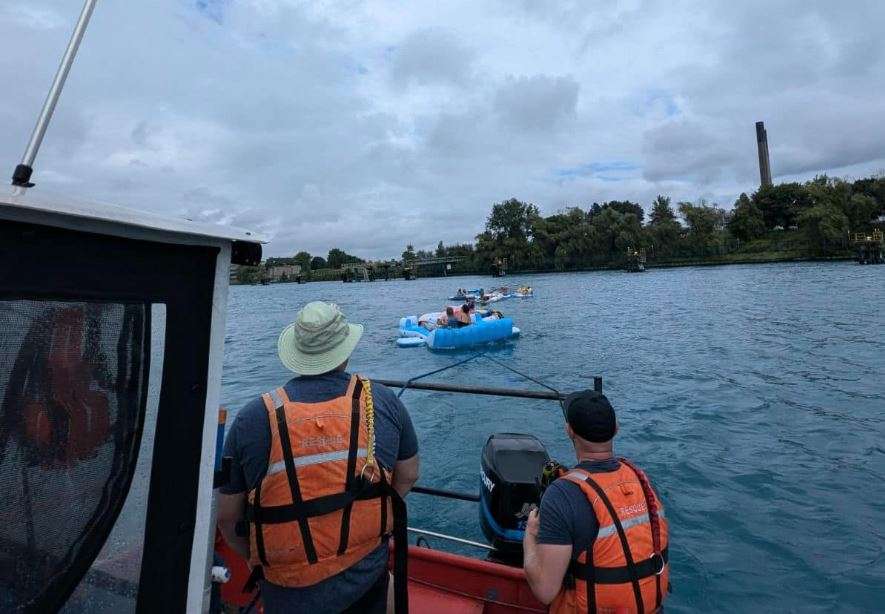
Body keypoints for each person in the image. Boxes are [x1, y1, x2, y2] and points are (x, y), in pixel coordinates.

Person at [217, 302, 420, 614]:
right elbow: (407, 476)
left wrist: (261, 556)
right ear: (345, 350)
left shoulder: (252, 418)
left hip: (285, 593)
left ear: (297, 353)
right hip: (367, 580)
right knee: (389, 589)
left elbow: (228, 518)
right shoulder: (382, 402)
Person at [522, 391, 669, 613]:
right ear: (616, 428)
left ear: (569, 430)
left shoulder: (561, 495)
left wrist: (530, 537)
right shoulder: (644, 482)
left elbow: (545, 590)